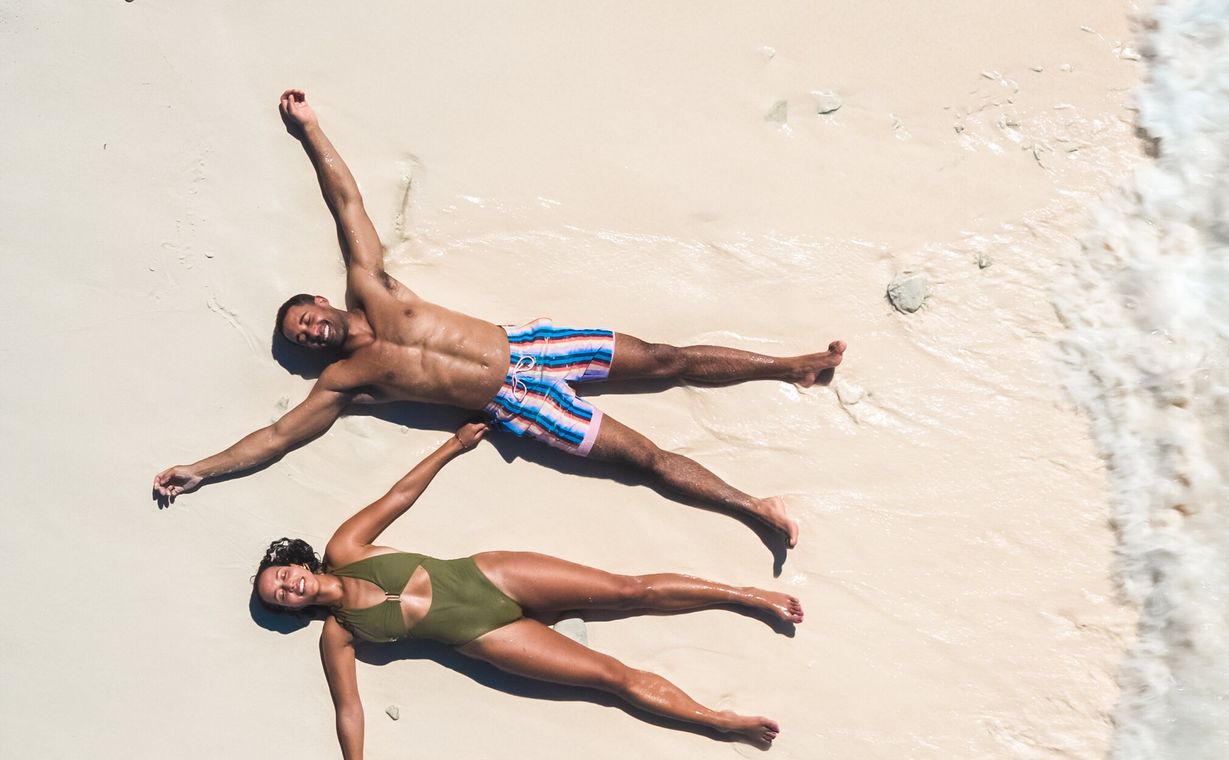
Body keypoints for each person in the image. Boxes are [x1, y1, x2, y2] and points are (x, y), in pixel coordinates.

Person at [156, 89, 843, 547]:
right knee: (645, 461)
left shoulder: (371, 283)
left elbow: (348, 203)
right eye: (299, 338)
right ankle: (759, 510)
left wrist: (310, 127)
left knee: (665, 359)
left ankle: (793, 367)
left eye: (303, 317)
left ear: (320, 300)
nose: (307, 331)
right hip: (518, 404)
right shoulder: (345, 384)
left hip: (536, 347)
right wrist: (201, 469)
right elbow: (275, 437)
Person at [253, 421, 798, 760]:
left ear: (295, 563)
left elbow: (397, 497)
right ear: (290, 608)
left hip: (489, 574)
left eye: (282, 576)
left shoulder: (345, 549)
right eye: (279, 596)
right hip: (485, 637)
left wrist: (452, 446)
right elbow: (349, 708)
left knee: (625, 590)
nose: (287, 587)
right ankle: (720, 720)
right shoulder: (339, 636)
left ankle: (748, 596)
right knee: (612, 678)